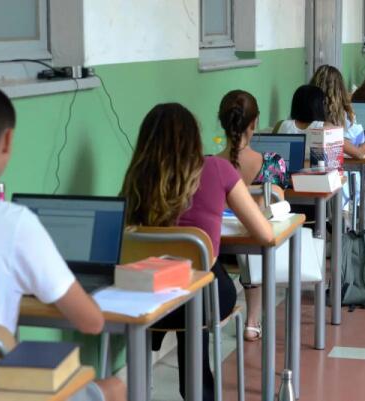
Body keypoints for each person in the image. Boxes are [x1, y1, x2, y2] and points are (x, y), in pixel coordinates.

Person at [0, 84, 125, 401]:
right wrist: (44, 287)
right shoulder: (14, 223)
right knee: (115, 387)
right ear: (7, 141)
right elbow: (91, 321)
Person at [120, 103, 273, 401]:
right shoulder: (217, 168)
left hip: (147, 298)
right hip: (203, 301)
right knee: (199, 283)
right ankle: (197, 391)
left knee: (185, 285)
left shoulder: (136, 178)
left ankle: (146, 384)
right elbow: (265, 235)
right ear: (193, 137)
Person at [215, 90, 285, 342]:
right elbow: (278, 203)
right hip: (256, 248)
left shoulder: (209, 165)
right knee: (258, 232)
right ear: (254, 123)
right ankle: (252, 320)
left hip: (216, 252)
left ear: (222, 122)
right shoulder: (272, 163)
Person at [278, 84, 365, 159]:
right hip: (318, 176)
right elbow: (358, 154)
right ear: (319, 106)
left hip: (286, 176)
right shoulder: (326, 128)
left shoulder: (282, 125)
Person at [309, 65, 365, 158]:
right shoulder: (331, 126)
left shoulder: (294, 122)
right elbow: (358, 150)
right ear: (340, 89)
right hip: (341, 163)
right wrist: (364, 148)